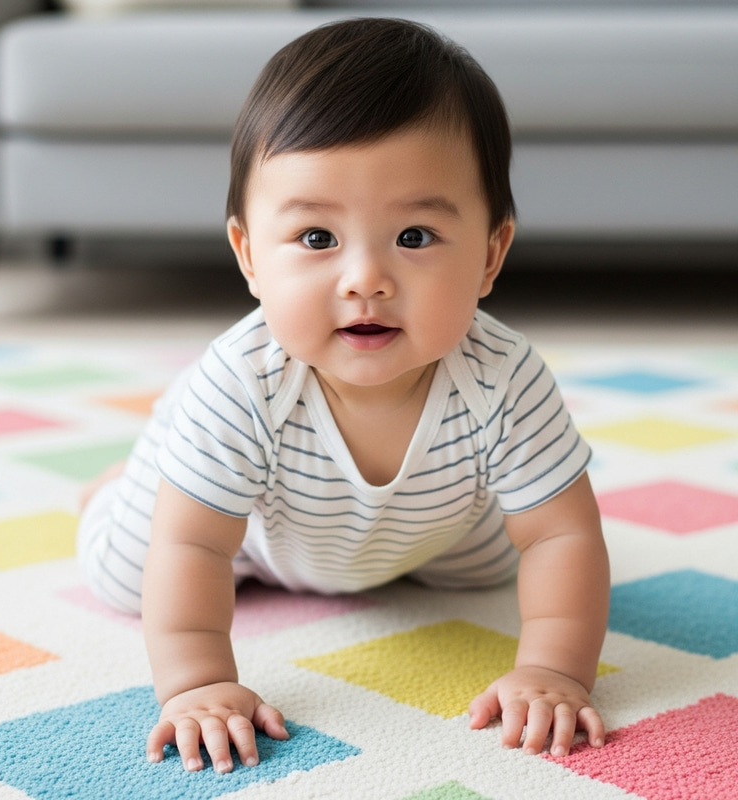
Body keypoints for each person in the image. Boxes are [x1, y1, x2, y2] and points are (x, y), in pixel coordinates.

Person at [76, 17, 610, 775]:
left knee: (504, 560)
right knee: (128, 573)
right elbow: (193, 544)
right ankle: (116, 485)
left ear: (492, 254)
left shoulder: (504, 377)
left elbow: (561, 536)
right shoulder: (240, 381)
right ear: (250, 255)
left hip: (430, 520)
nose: (366, 279)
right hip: (245, 530)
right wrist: (199, 684)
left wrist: (555, 670)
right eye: (319, 240)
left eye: (416, 236)